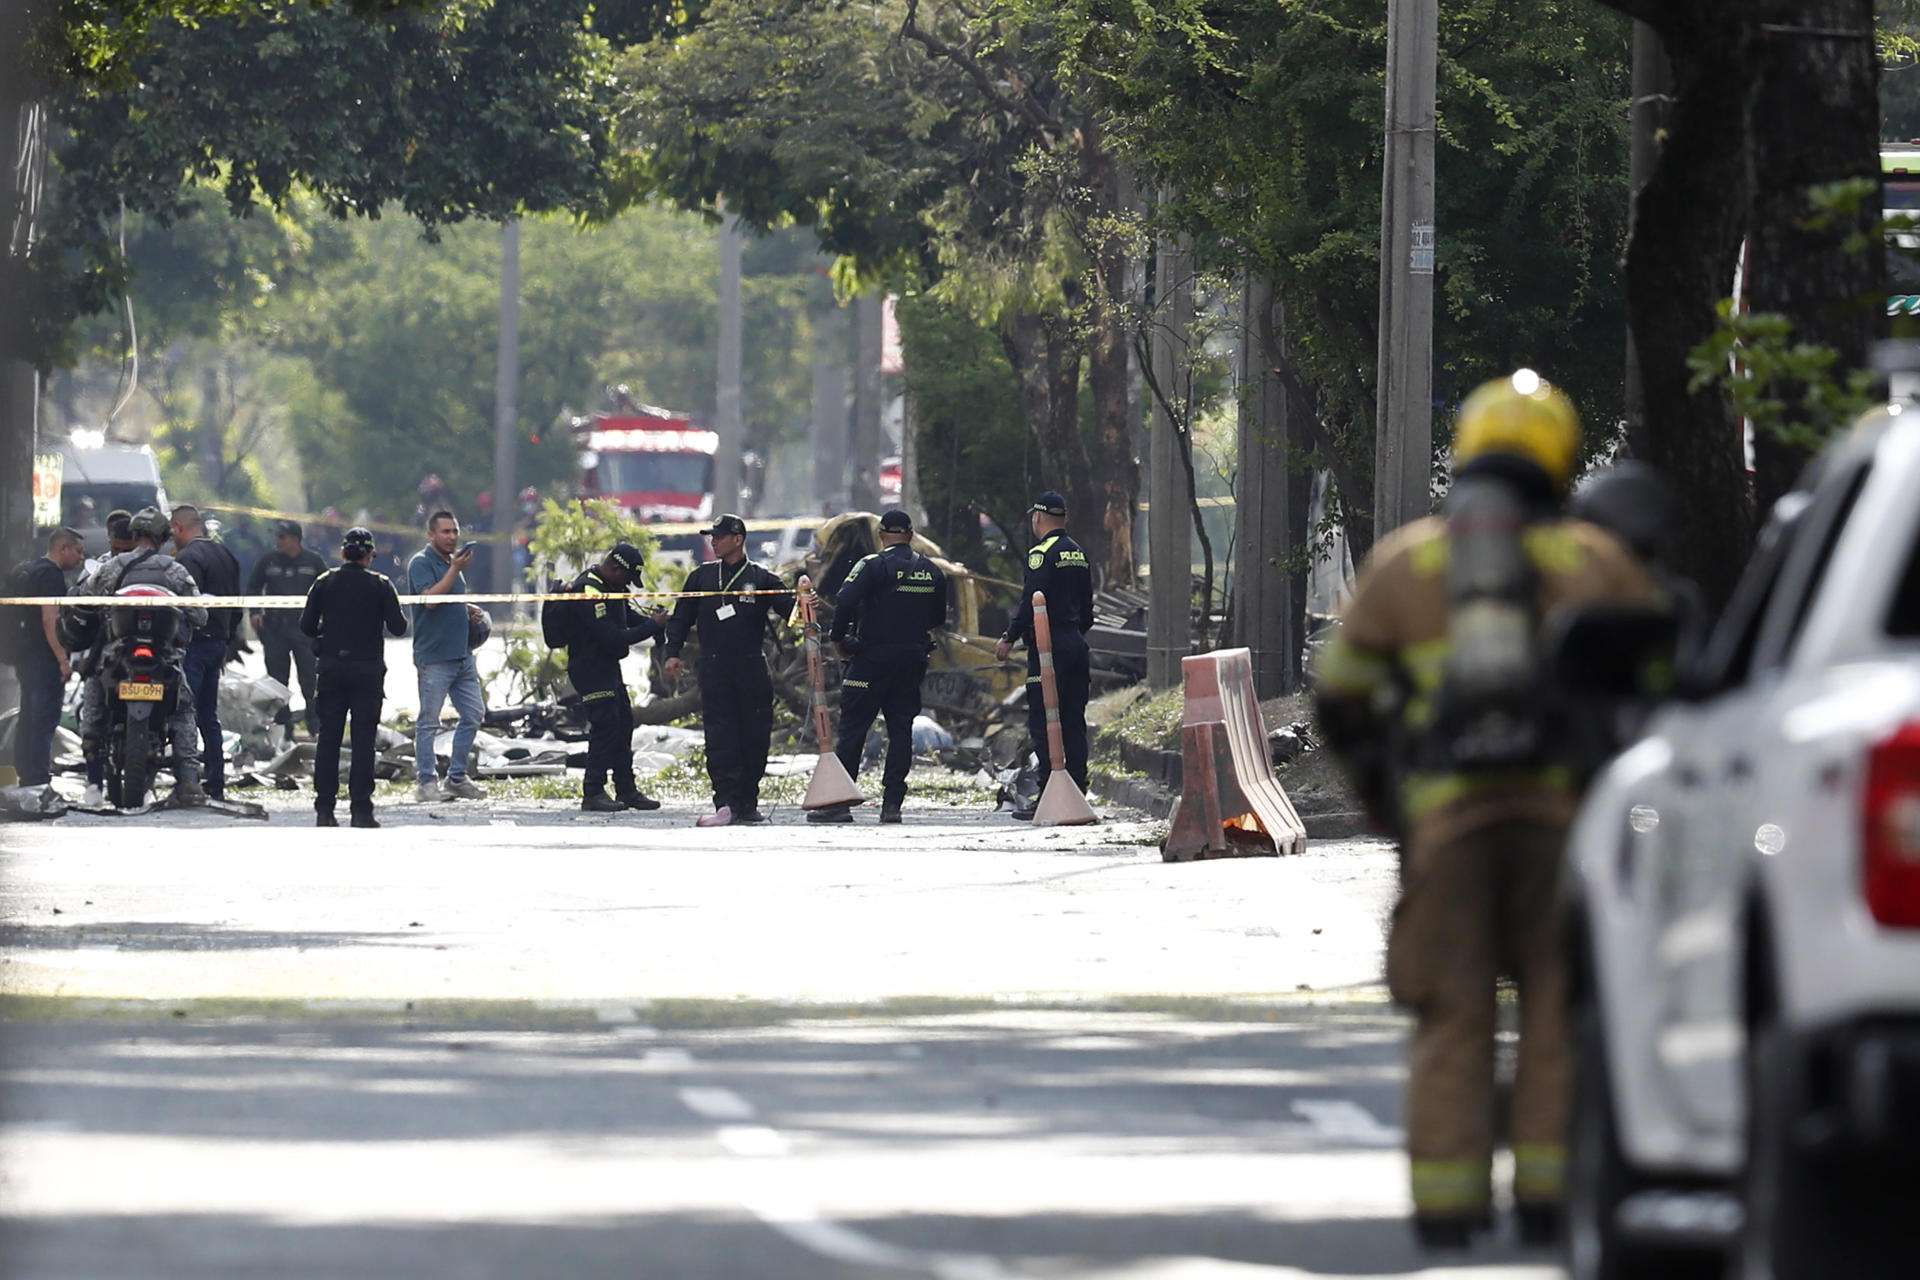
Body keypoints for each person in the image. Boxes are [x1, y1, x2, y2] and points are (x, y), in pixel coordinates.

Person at [1311, 371, 1664, 1250]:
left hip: (1447, 825)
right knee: (1555, 1003)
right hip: (1563, 825)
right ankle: (1547, 1200)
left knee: (1452, 1011)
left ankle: (1447, 1205)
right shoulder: (1594, 560)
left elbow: (1340, 698)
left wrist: (1390, 804)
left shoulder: (1406, 563)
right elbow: (1661, 687)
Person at [810, 510, 948, 825]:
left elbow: (845, 601)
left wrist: (839, 638)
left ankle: (839, 803)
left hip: (870, 661)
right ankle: (892, 805)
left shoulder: (871, 565)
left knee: (853, 729)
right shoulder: (932, 571)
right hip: (911, 661)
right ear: (911, 535)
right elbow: (938, 618)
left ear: (882, 535)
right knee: (901, 730)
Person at [662, 514, 795, 827]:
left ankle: (747, 802)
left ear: (738, 539)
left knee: (755, 734)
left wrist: (806, 603)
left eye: (719, 537)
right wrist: (672, 653)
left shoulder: (762, 578)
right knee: (720, 736)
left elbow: (793, 614)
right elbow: (680, 618)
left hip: (751, 666)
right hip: (714, 666)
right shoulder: (701, 577)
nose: (714, 541)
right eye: (712, 536)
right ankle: (724, 801)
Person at [76, 506, 208, 803]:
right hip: (164, 656)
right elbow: (200, 615)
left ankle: (91, 748)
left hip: (117, 653)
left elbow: (84, 597)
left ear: (134, 535)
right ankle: (188, 779)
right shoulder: (175, 569)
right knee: (184, 708)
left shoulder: (112, 566)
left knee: (94, 687)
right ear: (163, 537)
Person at [993, 490, 1095, 820]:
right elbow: (1088, 610)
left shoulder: (1040, 554)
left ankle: (1050, 793)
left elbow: (1030, 602)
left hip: (1049, 649)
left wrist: (1009, 637)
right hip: (1076, 645)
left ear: (1038, 518)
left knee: (1045, 721)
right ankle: (1077, 790)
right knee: (1073, 721)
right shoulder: (1079, 553)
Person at [300, 527, 408, 828]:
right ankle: (362, 809)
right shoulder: (381, 585)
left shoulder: (324, 582)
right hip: (367, 672)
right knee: (363, 741)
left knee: (329, 740)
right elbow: (399, 627)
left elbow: (306, 625)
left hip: (332, 670)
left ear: (343, 553)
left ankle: (325, 809)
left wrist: (329, 630)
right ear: (370, 556)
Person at [567, 543, 666, 813]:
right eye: (627, 578)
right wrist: (651, 627)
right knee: (605, 725)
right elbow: (611, 636)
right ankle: (593, 791)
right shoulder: (589, 589)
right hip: (589, 667)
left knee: (623, 724)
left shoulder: (609, 587)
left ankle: (627, 789)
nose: (629, 586)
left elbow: (626, 617)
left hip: (607, 666)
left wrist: (655, 621)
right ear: (614, 567)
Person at [407, 510, 488, 802]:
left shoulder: (451, 562)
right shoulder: (421, 563)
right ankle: (426, 782)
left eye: (454, 531)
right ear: (431, 535)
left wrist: (466, 610)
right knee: (429, 721)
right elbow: (429, 601)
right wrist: (454, 570)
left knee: (474, 714)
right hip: (435, 657)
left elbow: (449, 598)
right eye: (445, 532)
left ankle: (456, 777)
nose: (452, 536)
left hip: (462, 654)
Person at [170, 504, 242, 801]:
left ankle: (187, 781)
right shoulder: (225, 554)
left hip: (195, 644)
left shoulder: (187, 558)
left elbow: (186, 605)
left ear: (177, 527)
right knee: (208, 716)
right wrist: (227, 642)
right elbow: (237, 605)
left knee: (183, 712)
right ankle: (216, 781)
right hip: (218, 643)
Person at [5, 528, 85, 788]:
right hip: (44, 657)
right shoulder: (51, 576)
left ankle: (26, 771)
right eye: (78, 551)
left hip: (24, 654)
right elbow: (50, 619)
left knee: (29, 714)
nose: (81, 558)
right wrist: (62, 659)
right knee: (44, 717)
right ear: (63, 548)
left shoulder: (29, 570)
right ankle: (38, 777)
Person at [248, 520, 328, 737]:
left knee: (311, 680)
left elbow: (328, 591)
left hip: (306, 630)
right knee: (276, 682)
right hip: (276, 629)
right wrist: (255, 613)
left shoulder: (313, 561)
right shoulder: (268, 561)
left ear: (295, 539)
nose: (278, 541)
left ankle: (316, 727)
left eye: (282, 537)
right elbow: (253, 587)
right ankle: (283, 730)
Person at [76, 511, 135, 804]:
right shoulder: (98, 568)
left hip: (133, 657)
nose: (122, 553)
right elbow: (79, 604)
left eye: (127, 547)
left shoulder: (144, 565)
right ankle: (95, 782)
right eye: (119, 546)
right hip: (104, 655)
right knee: (94, 720)